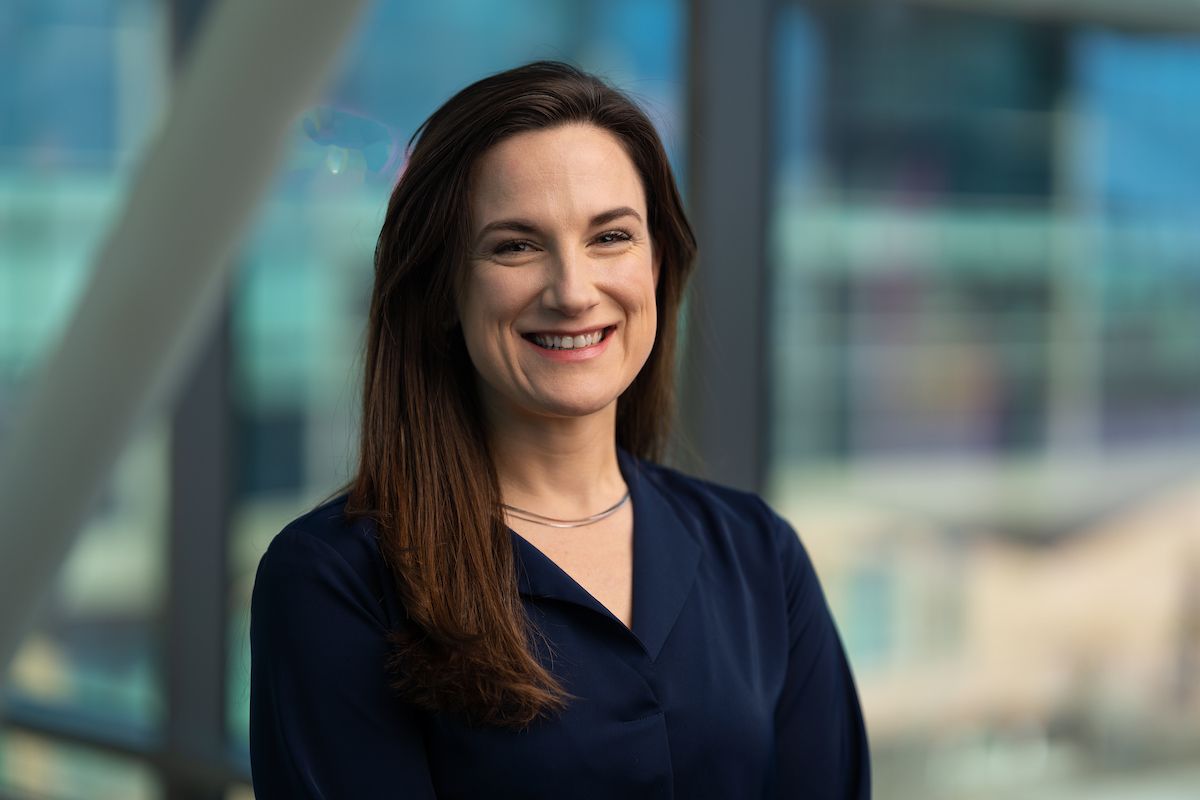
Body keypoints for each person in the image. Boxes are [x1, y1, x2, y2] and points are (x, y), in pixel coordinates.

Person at [249, 61, 870, 799]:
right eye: (515, 245)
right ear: (444, 289)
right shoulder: (336, 581)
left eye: (610, 236)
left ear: (658, 264)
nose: (574, 291)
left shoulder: (759, 555)